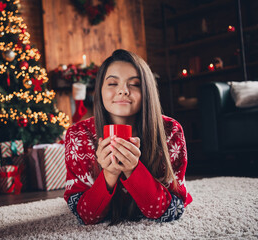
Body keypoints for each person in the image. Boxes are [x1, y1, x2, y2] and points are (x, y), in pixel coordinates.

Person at [64, 49, 192, 225]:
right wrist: (109, 173)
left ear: (147, 91)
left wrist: (133, 170)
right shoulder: (78, 135)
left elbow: (172, 210)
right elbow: (86, 215)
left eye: (135, 84)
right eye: (112, 83)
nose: (123, 91)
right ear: (99, 90)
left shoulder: (170, 131)